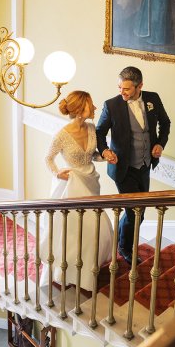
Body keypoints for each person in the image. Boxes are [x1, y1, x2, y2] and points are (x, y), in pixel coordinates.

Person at [96, 67, 170, 265]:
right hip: (123, 168)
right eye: (120, 87)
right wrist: (104, 151)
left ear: (140, 86)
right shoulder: (111, 105)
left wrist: (160, 144)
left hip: (145, 165)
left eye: (127, 89)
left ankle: (119, 237)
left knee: (140, 211)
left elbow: (166, 123)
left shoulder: (152, 98)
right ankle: (125, 248)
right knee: (134, 212)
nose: (122, 92)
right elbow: (99, 132)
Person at [42, 91, 114, 291]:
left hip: (91, 183)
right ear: (80, 109)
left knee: (93, 230)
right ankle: (65, 272)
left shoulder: (91, 128)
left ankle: (86, 273)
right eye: (91, 105)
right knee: (74, 230)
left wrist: (105, 157)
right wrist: (58, 173)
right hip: (73, 185)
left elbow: (92, 156)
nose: (95, 107)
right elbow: (48, 158)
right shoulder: (62, 135)